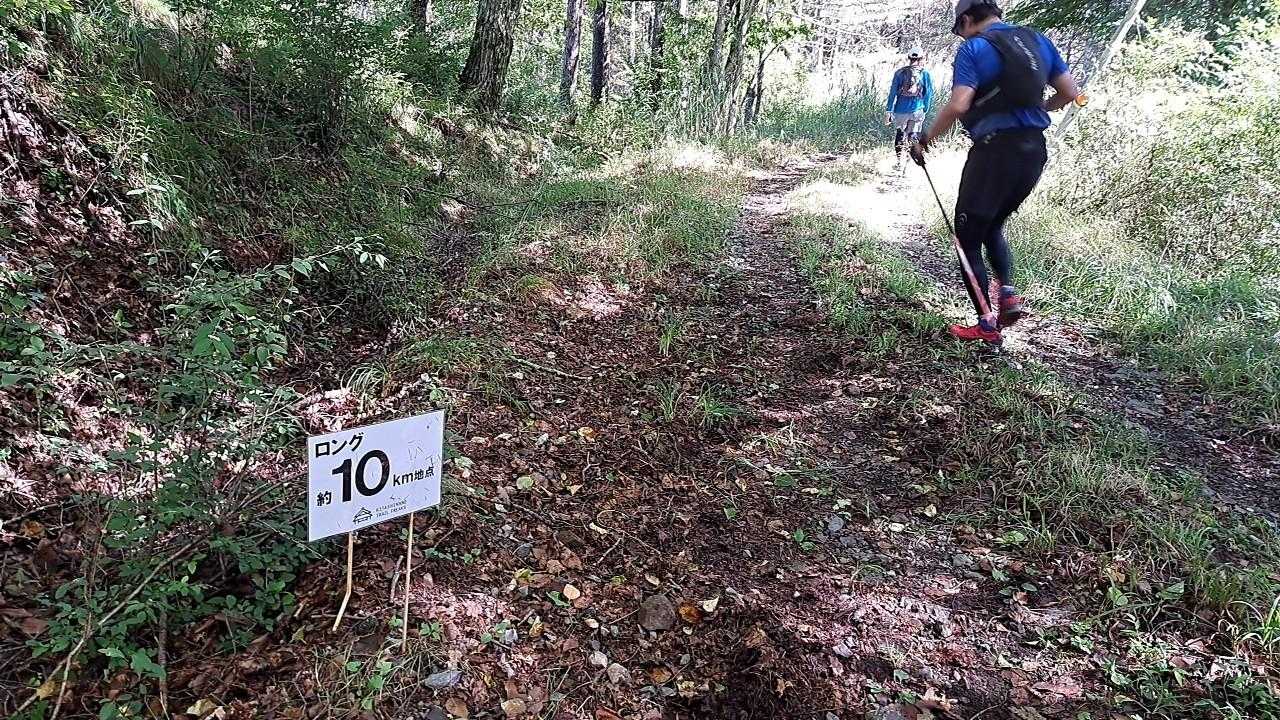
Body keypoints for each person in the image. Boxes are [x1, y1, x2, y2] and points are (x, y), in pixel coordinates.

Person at [911, 0, 1080, 345]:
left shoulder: (974, 48)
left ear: (967, 20)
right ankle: (1007, 292)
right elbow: (1070, 93)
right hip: (1034, 150)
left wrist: (925, 139)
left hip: (994, 151)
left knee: (967, 238)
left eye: (959, 30)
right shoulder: (1038, 41)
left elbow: (959, 104)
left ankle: (986, 325)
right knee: (992, 225)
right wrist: (1040, 108)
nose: (961, 37)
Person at [884, 46, 934, 169]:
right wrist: (925, 108)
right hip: (917, 110)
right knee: (913, 135)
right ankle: (908, 162)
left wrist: (889, 110)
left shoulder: (899, 73)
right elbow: (928, 94)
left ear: (909, 58)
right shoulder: (925, 74)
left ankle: (899, 161)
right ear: (922, 58)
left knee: (900, 134)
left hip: (900, 110)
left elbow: (892, 93)